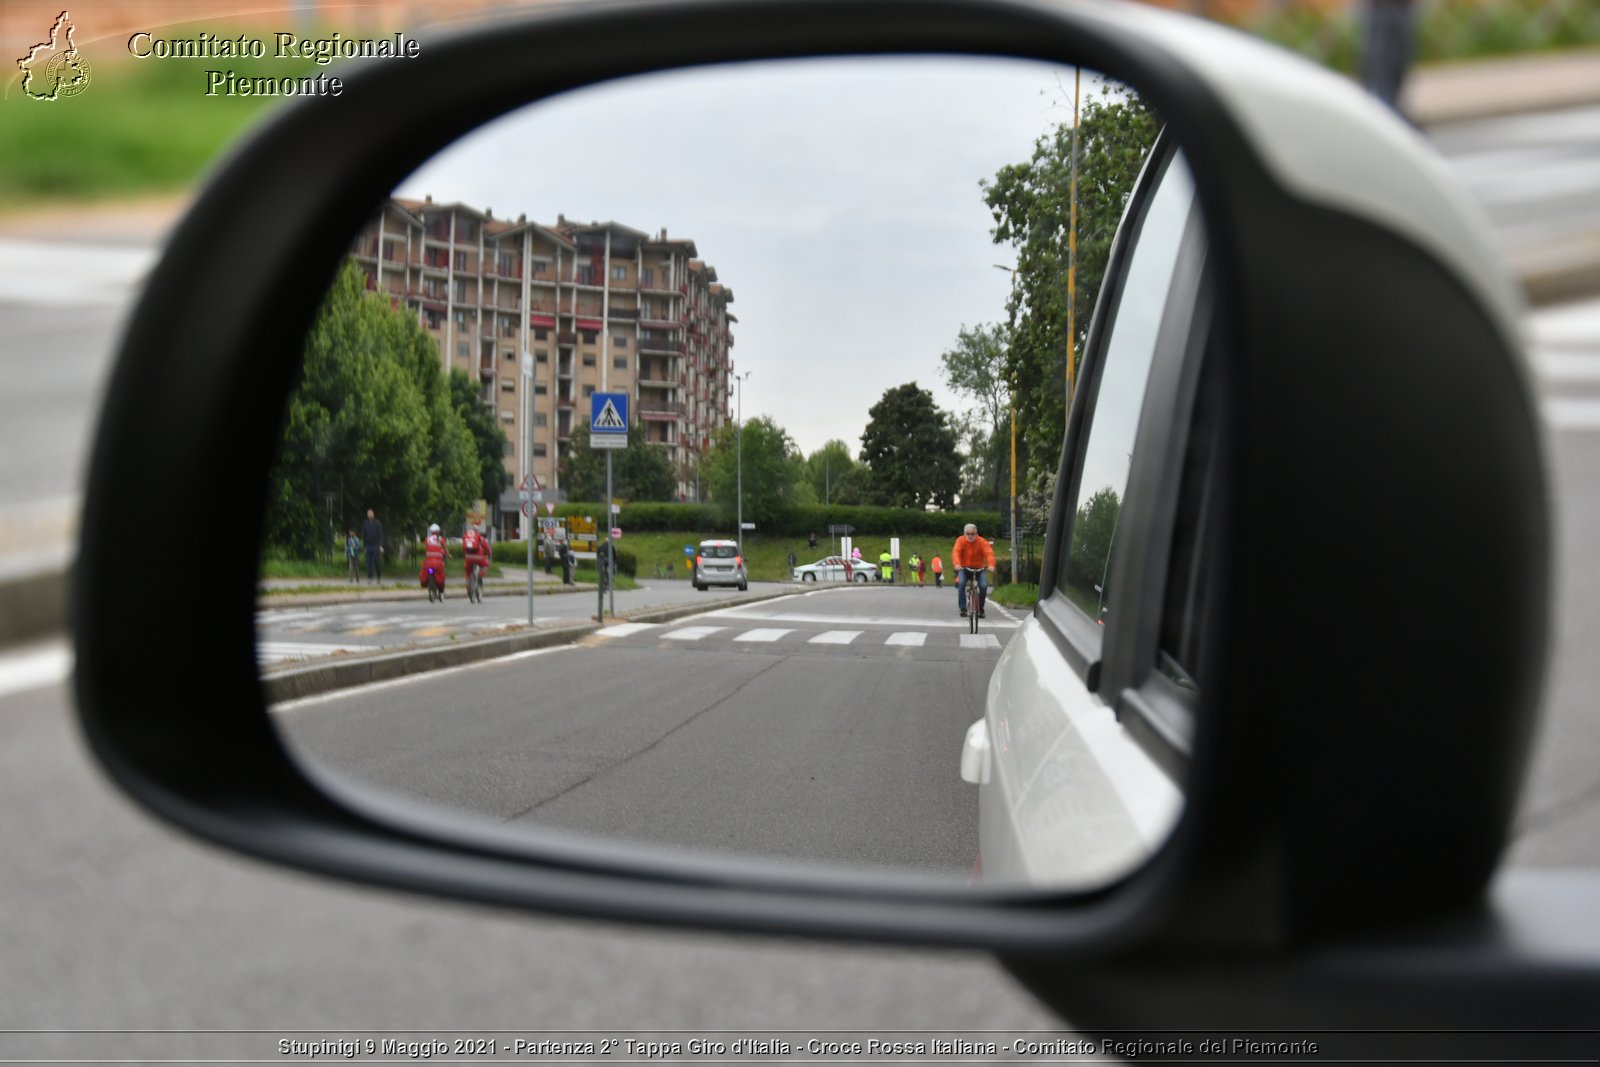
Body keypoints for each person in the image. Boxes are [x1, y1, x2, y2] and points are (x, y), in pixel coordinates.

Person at [951, 522, 996, 618]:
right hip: (963, 568)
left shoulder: (982, 542)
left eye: (973, 534)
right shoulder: (960, 541)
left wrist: (991, 565)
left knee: (983, 586)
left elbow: (989, 553)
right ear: (964, 534)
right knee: (961, 583)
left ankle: (980, 609)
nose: (970, 536)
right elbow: (956, 552)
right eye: (968, 534)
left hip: (979, 568)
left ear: (976, 534)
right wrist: (957, 564)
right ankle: (963, 608)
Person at [462, 523, 490, 593]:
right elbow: (486, 548)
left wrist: (465, 555)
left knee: (468, 572)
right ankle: (480, 575)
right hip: (479, 557)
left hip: (468, 557)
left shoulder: (466, 536)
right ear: (477, 531)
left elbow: (463, 547)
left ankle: (468, 587)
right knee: (486, 565)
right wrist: (489, 555)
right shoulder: (480, 537)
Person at [423, 522, 448, 597]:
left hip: (429, 563)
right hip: (438, 563)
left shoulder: (427, 539)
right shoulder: (441, 539)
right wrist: (448, 554)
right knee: (441, 574)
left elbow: (426, 548)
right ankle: (441, 591)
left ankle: (430, 588)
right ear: (438, 531)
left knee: (430, 571)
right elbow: (445, 550)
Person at [361, 508, 384, 581]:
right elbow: (364, 535)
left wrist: (380, 546)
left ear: (373, 514)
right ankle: (369, 578)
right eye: (368, 514)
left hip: (376, 545)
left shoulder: (377, 523)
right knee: (368, 563)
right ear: (367, 515)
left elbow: (381, 535)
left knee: (377, 562)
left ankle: (378, 576)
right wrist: (364, 546)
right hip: (368, 546)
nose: (370, 515)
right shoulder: (365, 523)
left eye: (371, 513)